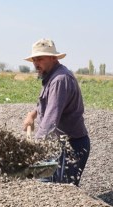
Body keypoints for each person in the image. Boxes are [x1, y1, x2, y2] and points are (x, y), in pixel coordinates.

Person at [22, 38, 90, 186]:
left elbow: (50, 120)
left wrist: (34, 149)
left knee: (59, 192)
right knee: (46, 186)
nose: (36, 64)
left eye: (40, 59)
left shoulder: (60, 80)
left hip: (72, 146)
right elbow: (47, 104)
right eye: (34, 60)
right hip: (58, 144)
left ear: (53, 58)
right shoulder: (50, 76)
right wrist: (32, 115)